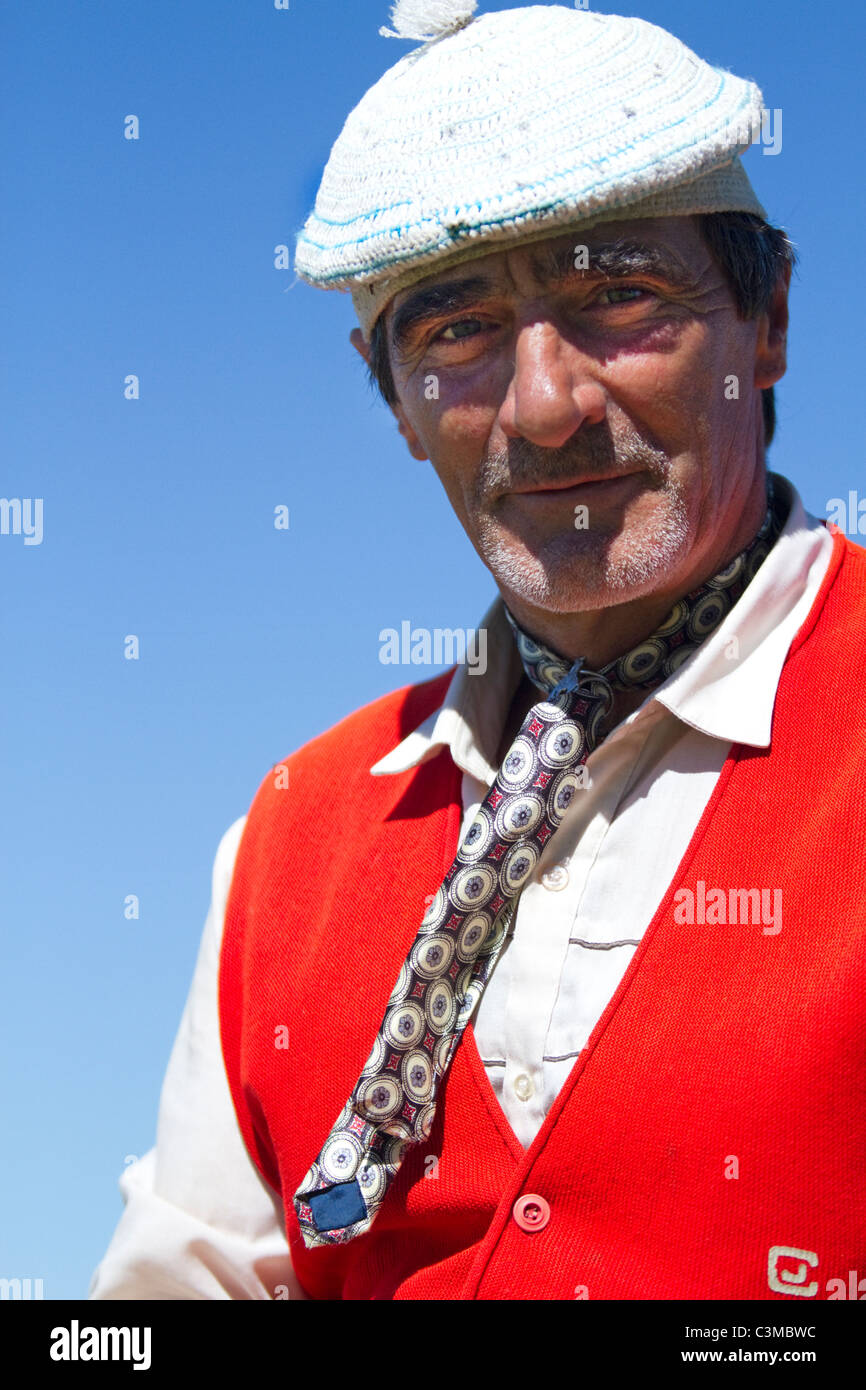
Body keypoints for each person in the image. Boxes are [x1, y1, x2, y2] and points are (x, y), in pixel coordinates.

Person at [90, 1, 866, 1301]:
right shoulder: (290, 841)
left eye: (618, 297)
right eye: (453, 333)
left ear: (766, 318)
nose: (545, 406)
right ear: (388, 397)